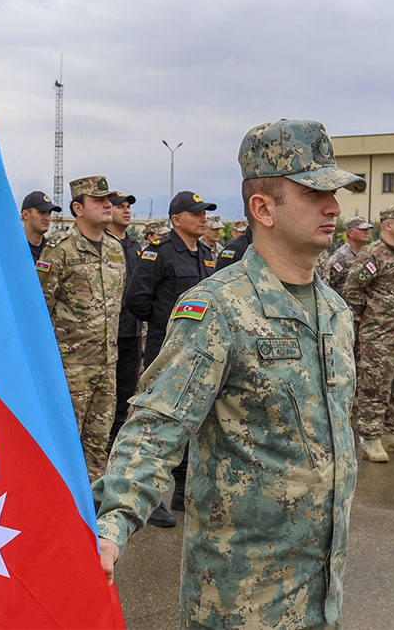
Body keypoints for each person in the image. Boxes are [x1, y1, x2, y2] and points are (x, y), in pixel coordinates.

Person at [93, 118, 365, 629]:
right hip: (243, 597)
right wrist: (114, 523)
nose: (334, 207)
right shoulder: (218, 309)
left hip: (323, 589)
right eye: (315, 193)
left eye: (337, 193)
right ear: (263, 208)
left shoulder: (333, 310)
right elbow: (156, 426)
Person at [125, 189, 217, 528]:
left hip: (200, 352)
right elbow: (137, 299)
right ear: (176, 220)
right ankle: (147, 500)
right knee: (159, 424)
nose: (203, 217)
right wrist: (166, 327)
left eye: (204, 212)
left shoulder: (205, 254)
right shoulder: (159, 253)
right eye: (196, 213)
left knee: (192, 422)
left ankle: (181, 492)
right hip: (167, 351)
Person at [36, 176, 125, 481]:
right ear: (78, 208)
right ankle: (56, 516)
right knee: (63, 447)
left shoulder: (116, 250)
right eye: (98, 200)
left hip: (106, 369)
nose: (107, 204)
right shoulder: (59, 250)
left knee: (98, 449)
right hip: (69, 371)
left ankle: (90, 516)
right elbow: (40, 313)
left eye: (108, 199)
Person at [343, 205, 394, 462]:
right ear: (387, 224)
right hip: (381, 337)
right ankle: (372, 439)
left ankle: (393, 433)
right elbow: (353, 288)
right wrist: (370, 315)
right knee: (375, 390)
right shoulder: (373, 254)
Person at [104, 191, 143, 457]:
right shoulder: (103, 243)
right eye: (120, 206)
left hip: (131, 333)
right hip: (107, 335)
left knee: (124, 399)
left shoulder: (135, 247)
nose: (126, 210)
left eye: (129, 206)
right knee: (104, 401)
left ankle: (114, 453)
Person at [328, 215, 373, 294]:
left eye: (368, 229)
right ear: (350, 232)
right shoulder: (340, 257)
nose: (367, 232)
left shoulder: (366, 254)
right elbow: (328, 283)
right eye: (362, 229)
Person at [20, 190, 61, 262]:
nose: (47, 218)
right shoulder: (12, 248)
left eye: (49, 213)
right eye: (42, 212)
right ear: (25, 214)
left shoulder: (53, 250)